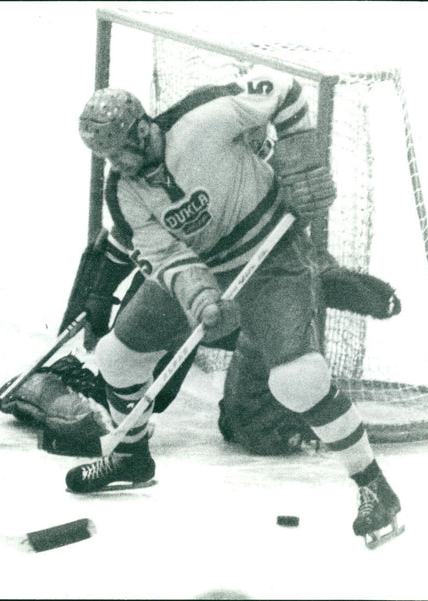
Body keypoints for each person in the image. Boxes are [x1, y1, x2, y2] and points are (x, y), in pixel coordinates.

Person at [67, 74, 403, 546]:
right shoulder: (124, 193)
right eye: (107, 156)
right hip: (204, 263)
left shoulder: (203, 118)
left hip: (273, 255)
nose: (117, 162)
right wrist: (200, 297)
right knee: (116, 357)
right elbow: (166, 258)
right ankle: (131, 456)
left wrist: (300, 156)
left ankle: (374, 488)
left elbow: (285, 93)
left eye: (122, 148)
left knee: (298, 380)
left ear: (143, 128)